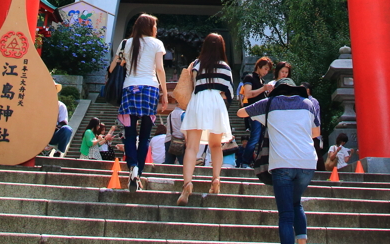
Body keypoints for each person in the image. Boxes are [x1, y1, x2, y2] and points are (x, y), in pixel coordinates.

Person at [238, 77, 320, 244]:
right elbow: (316, 132)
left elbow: (241, 113)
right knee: (296, 202)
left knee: (286, 215)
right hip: (307, 162)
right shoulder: (308, 104)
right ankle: (302, 242)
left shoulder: (269, 103)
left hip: (282, 163)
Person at [108, 13, 169, 191]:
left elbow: (112, 68)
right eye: (155, 26)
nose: (156, 29)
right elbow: (159, 68)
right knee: (144, 136)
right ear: (149, 27)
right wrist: (164, 93)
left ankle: (132, 166)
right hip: (150, 89)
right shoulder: (156, 43)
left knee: (129, 133)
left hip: (129, 89)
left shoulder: (126, 43)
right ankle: (138, 172)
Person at [176, 33, 234, 205]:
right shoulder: (225, 66)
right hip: (216, 102)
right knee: (216, 145)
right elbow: (229, 92)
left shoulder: (197, 64)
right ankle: (215, 179)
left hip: (198, 101)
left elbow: (192, 86)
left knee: (192, 147)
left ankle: (187, 184)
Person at [240, 57, 273, 168]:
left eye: (268, 70)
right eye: (265, 69)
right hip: (253, 112)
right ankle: (244, 161)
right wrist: (263, 89)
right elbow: (248, 94)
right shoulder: (249, 77)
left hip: (262, 113)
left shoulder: (261, 81)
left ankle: (255, 161)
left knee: (260, 138)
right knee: (255, 137)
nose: (266, 72)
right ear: (258, 67)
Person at [47, 78, 72, 157]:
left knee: (67, 130)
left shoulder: (60, 106)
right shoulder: (39, 104)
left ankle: (59, 151)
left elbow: (63, 123)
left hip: (53, 134)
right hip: (38, 134)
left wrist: (53, 127)